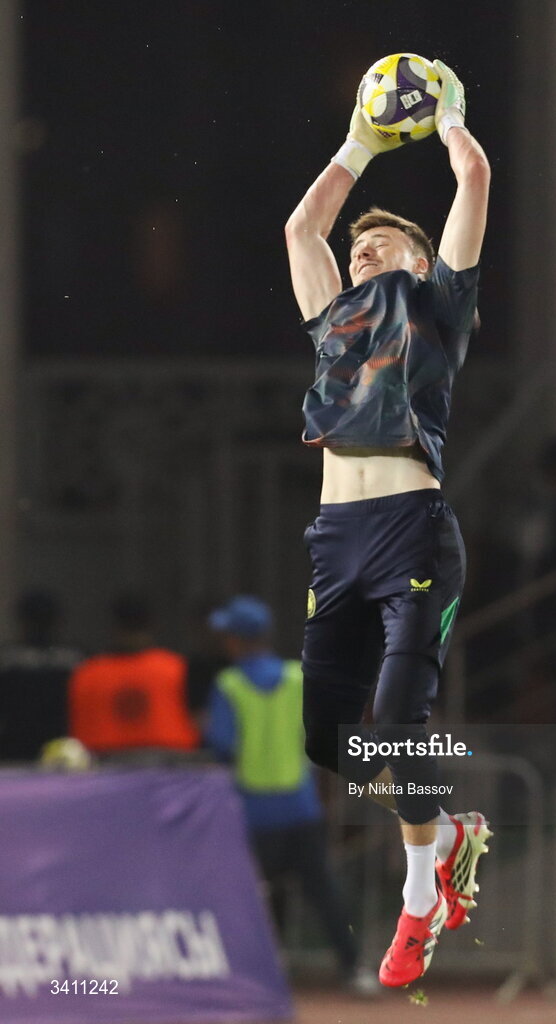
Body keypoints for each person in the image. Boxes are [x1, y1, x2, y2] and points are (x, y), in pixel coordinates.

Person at [284, 59, 492, 987]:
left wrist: (447, 117)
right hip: (337, 541)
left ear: (418, 262)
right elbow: (304, 226)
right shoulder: (332, 321)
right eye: (359, 248)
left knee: (399, 718)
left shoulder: (436, 306)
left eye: (384, 247)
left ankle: (419, 897)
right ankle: (445, 832)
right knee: (332, 742)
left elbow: (474, 179)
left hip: (410, 527)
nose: (364, 252)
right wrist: (361, 143)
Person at [204, 595, 377, 997]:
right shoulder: (300, 678)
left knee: (254, 896)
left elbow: (223, 748)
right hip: (301, 806)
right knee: (324, 892)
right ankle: (354, 969)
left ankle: (261, 973)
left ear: (234, 641)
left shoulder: (228, 686)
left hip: (253, 812)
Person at [68, 593, 199, 756]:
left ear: (113, 626)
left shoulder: (87, 674)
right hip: (170, 767)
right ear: (151, 624)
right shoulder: (176, 668)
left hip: (104, 769)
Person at [0, 590, 82, 762]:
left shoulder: (7, 661)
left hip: (18, 751)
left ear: (22, 621)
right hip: (62, 749)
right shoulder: (74, 660)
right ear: (57, 621)